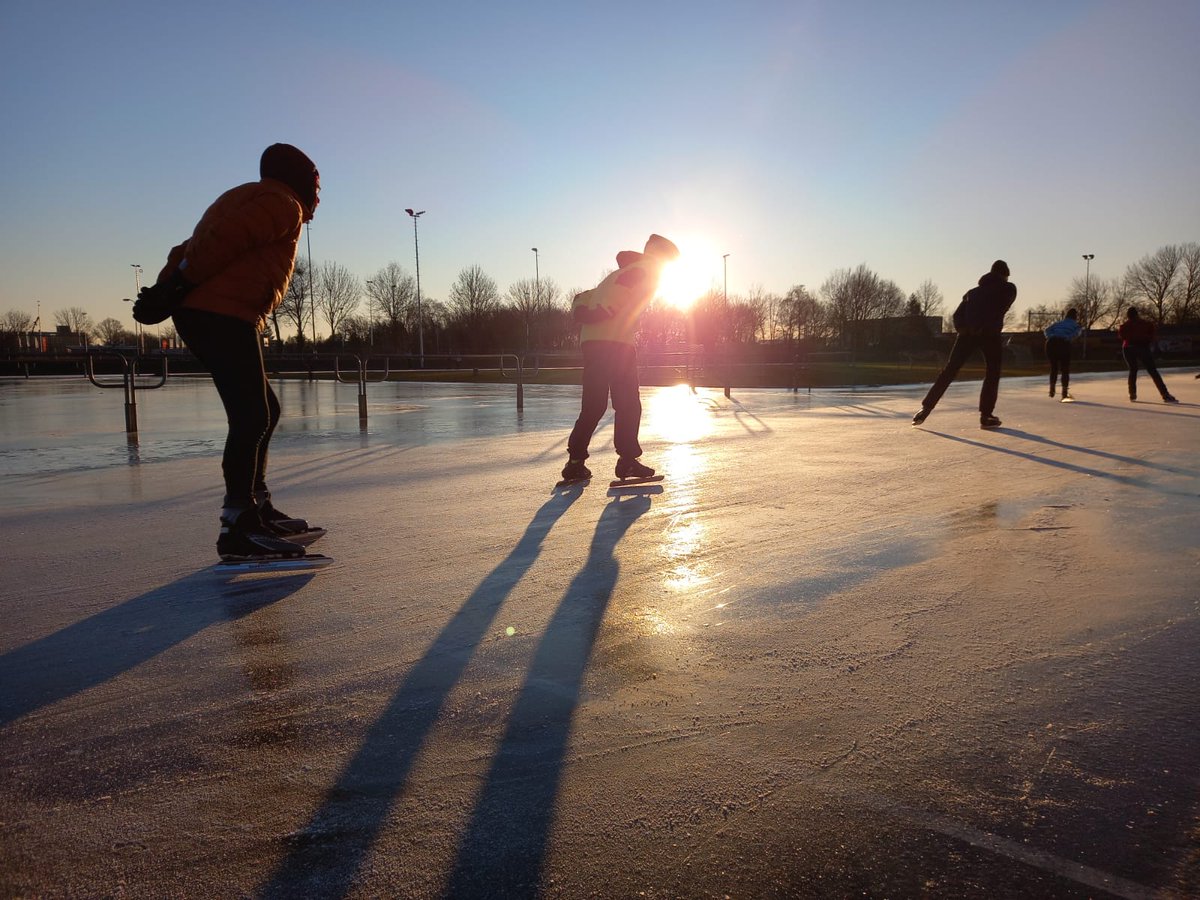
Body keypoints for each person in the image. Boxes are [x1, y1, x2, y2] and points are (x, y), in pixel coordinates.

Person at [135, 144, 321, 560]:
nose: (317, 199)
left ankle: (256, 507)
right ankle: (237, 525)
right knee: (252, 415)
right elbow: (222, 242)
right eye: (316, 186)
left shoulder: (244, 196)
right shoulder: (281, 203)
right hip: (221, 314)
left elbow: (187, 248)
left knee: (264, 411)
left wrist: (168, 287)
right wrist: (176, 287)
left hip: (217, 313)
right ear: (300, 182)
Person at [561, 234, 680, 483]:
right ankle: (627, 461)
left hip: (594, 343)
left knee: (594, 405)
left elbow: (581, 295)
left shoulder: (617, 274)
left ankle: (575, 463)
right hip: (615, 343)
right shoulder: (647, 269)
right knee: (628, 404)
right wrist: (606, 311)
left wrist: (584, 312)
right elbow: (622, 289)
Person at [912, 259, 1017, 428]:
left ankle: (925, 409)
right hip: (989, 334)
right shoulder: (1008, 288)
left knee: (950, 370)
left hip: (967, 334)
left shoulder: (972, 293)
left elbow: (957, 314)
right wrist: (982, 326)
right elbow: (999, 308)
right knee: (992, 372)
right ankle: (986, 415)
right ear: (1005, 275)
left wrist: (963, 328)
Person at [1117, 307, 1178, 403]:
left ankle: (1132, 393)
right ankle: (1165, 394)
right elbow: (1152, 333)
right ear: (1137, 315)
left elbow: (1122, 336)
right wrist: (1147, 340)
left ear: (1128, 316)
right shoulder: (1145, 324)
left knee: (1133, 370)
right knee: (1152, 371)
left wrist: (1133, 339)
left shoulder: (1125, 326)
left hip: (1128, 348)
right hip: (1142, 347)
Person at [1043, 308, 1082, 400]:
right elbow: (1076, 334)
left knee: (1054, 367)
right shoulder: (1076, 325)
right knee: (1065, 368)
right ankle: (1064, 392)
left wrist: (1050, 336)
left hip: (1051, 343)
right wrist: (1068, 337)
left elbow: (1046, 330)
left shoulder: (1058, 323)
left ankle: (1052, 388)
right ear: (1075, 316)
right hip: (1063, 343)